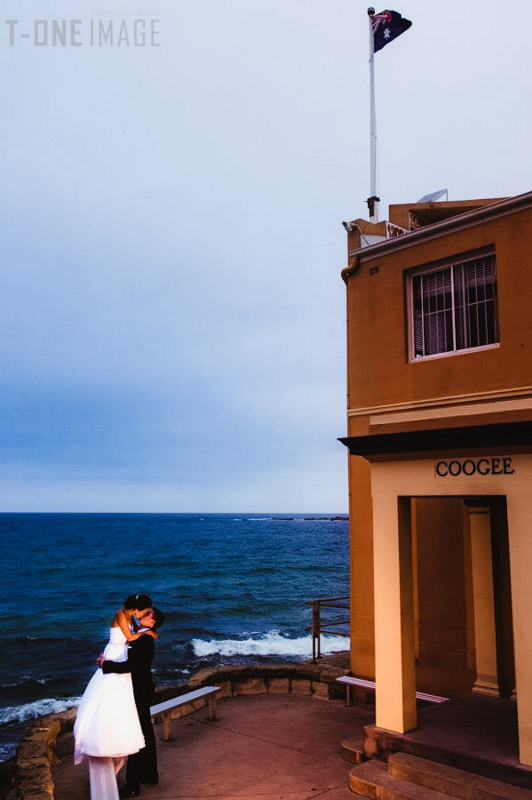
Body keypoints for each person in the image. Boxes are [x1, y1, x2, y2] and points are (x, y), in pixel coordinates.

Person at [73, 593, 155, 767]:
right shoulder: (120, 615)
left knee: (120, 698)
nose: (144, 615)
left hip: (121, 654)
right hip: (115, 654)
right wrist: (150, 633)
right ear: (137, 609)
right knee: (108, 696)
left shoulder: (130, 617)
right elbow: (130, 637)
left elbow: (130, 639)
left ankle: (119, 741)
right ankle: (105, 741)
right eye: (144, 612)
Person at [102, 607, 165, 799]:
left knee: (137, 734)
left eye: (146, 615)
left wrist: (106, 665)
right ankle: (149, 774)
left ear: (152, 622)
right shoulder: (141, 636)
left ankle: (133, 784)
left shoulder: (145, 639)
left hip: (139, 691)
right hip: (141, 689)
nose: (142, 616)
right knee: (145, 731)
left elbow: (132, 666)